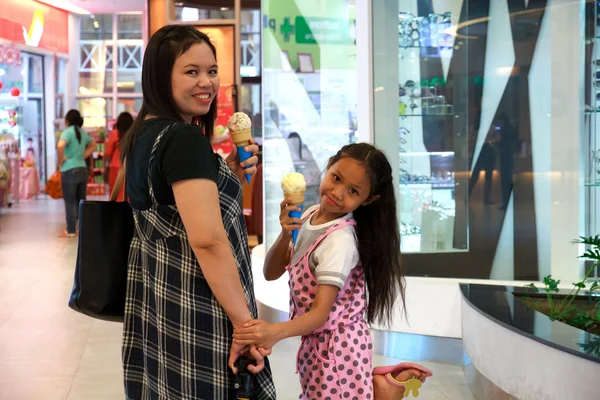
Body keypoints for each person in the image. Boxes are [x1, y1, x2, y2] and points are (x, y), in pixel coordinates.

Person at [119, 25, 275, 399]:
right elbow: (206, 240)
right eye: (191, 72)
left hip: (160, 303)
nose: (206, 82)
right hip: (203, 305)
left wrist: (231, 175)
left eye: (212, 70)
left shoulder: (144, 134)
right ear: (161, 77)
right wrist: (245, 326)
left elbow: (176, 213)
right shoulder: (183, 139)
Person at [233, 143, 431, 399]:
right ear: (328, 165)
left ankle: (386, 388)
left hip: (339, 353)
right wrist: (285, 233)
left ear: (368, 199)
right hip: (318, 347)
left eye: (352, 191)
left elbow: (319, 315)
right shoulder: (310, 214)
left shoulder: (339, 242)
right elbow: (271, 273)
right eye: (336, 178)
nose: (337, 193)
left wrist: (273, 333)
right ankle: (384, 387)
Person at [56, 109, 95, 238]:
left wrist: (61, 160)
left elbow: (60, 146)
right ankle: (82, 229)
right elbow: (93, 145)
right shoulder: (83, 133)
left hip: (69, 170)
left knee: (69, 201)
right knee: (81, 201)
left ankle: (71, 230)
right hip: (82, 169)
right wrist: (83, 156)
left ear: (67, 120)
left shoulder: (67, 132)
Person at [104, 112, 133, 201]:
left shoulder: (114, 134)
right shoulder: (133, 133)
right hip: (130, 166)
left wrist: (105, 167)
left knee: (115, 192)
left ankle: (115, 212)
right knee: (129, 192)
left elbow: (107, 153)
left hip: (115, 167)